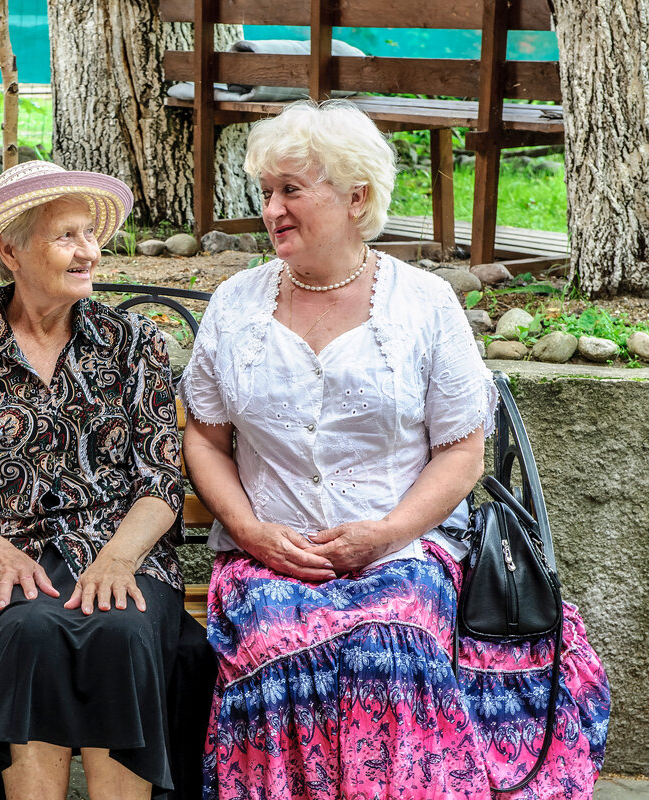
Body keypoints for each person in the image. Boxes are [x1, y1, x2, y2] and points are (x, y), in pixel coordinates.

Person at [181, 100, 610, 798]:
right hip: (269, 557)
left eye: (291, 189)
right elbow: (204, 435)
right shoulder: (237, 303)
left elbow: (461, 453)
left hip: (402, 551)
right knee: (274, 643)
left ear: (357, 196)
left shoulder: (423, 303)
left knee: (389, 638)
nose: (272, 209)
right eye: (266, 192)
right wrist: (251, 531)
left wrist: (385, 534)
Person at [0, 160, 214, 800]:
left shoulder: (131, 342)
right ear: (10, 251)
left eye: (91, 235)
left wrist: (119, 559)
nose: (89, 251)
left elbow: (159, 479)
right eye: (67, 236)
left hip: (123, 551)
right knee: (28, 628)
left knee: (121, 628)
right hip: (0, 560)